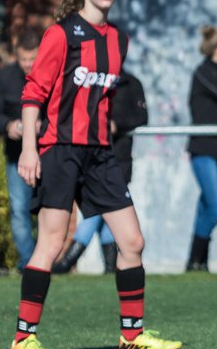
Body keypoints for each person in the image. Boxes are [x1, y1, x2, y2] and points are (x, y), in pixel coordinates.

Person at [10, 0, 181, 349]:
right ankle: (23, 339)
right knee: (51, 242)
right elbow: (33, 94)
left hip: (100, 154)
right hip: (60, 151)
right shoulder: (61, 34)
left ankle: (132, 337)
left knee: (132, 241)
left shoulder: (117, 38)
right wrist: (30, 150)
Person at [52, 69, 148, 274]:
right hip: (91, 157)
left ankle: (71, 258)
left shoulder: (131, 82)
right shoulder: (88, 79)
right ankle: (109, 264)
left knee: (103, 209)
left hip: (119, 158)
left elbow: (141, 116)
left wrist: (117, 125)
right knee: (103, 209)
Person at [0, 29, 41, 273]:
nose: (28, 64)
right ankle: (30, 264)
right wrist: (8, 125)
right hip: (16, 157)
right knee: (19, 210)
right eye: (23, 59)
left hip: (50, 155)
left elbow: (64, 112)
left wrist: (43, 125)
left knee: (50, 211)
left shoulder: (54, 73)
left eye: (32, 59)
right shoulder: (6, 76)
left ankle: (44, 260)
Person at [184, 25, 217, 271]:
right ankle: (196, 258)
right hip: (203, 150)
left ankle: (198, 263)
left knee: (205, 206)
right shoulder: (204, 73)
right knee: (215, 209)